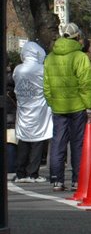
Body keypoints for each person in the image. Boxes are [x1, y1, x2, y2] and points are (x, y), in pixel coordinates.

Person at [42, 22, 91, 192]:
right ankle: (77, 180)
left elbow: (46, 85)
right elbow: (85, 83)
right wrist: (89, 105)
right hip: (77, 106)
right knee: (77, 143)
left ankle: (57, 179)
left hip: (58, 107)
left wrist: (52, 101)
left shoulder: (50, 57)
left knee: (58, 142)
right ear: (77, 37)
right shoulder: (80, 57)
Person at [13, 42, 52, 183]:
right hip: (39, 109)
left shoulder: (17, 70)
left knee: (23, 140)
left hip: (24, 109)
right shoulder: (42, 69)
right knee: (38, 140)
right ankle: (32, 173)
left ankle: (20, 172)